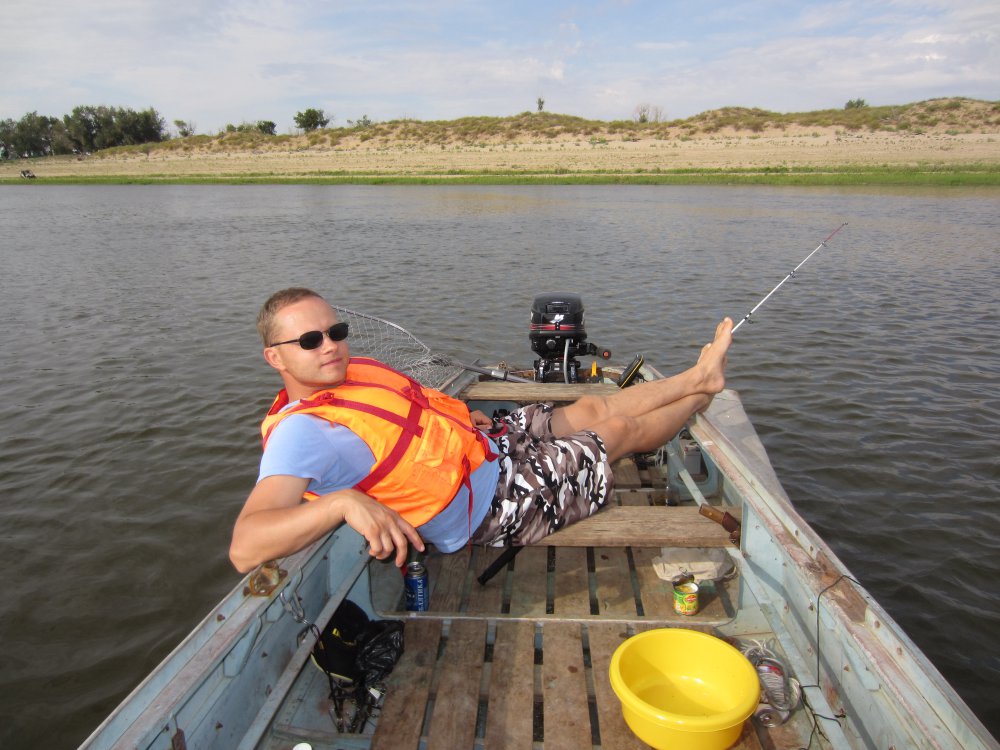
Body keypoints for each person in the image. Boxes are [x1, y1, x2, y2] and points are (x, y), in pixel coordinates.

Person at [229, 288, 733, 574]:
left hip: (487, 446)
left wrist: (458, 418)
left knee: (589, 408)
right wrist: (342, 503)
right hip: (491, 505)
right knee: (616, 431)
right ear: (275, 357)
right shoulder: (301, 433)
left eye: (336, 332)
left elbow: (410, 416)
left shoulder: (350, 374)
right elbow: (245, 547)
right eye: (309, 340)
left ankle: (696, 378)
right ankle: (701, 396)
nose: (330, 346)